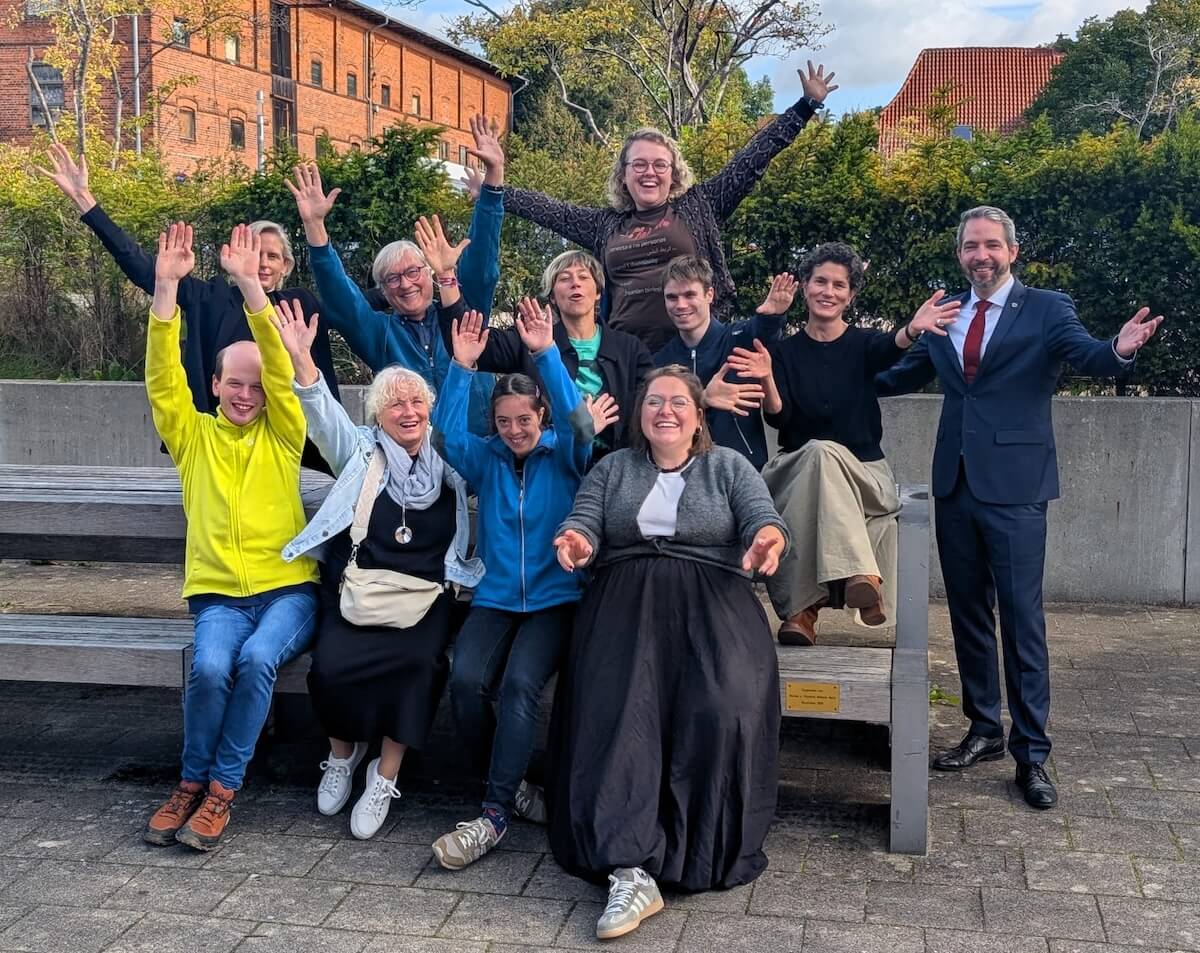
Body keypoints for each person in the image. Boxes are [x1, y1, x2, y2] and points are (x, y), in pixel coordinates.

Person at [876, 206, 1163, 810]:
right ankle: (983, 729)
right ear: (960, 255)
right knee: (968, 618)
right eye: (970, 247)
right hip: (954, 485)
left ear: (1011, 251)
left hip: (1017, 489)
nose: (980, 255)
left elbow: (1088, 355)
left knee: (1022, 623)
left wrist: (1119, 348)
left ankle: (1031, 753)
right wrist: (818, 371)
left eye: (991, 245)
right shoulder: (945, 313)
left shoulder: (1046, 308)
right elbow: (892, 374)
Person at [550, 365, 789, 940]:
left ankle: (698, 842)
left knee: (726, 702)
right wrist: (577, 541)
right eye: (653, 401)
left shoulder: (728, 466)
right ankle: (629, 867)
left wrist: (767, 541)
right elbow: (583, 522)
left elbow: (764, 518)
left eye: (678, 402)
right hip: (624, 607)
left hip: (715, 605)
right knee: (624, 709)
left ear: (698, 415)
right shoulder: (613, 469)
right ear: (639, 414)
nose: (665, 411)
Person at [274, 301, 483, 840]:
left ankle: (384, 775)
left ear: (429, 407)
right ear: (377, 415)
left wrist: (461, 366)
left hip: (428, 596)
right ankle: (342, 755)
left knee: (419, 666)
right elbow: (322, 416)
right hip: (360, 588)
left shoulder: (453, 459)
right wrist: (302, 359)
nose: (407, 411)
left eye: (416, 401)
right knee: (330, 667)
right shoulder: (361, 455)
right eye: (394, 405)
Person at [142, 223, 319, 851]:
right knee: (212, 665)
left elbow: (277, 362)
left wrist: (250, 285)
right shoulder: (193, 438)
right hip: (218, 596)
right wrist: (166, 290)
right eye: (233, 384)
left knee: (255, 659)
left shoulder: (283, 433)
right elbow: (164, 381)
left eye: (255, 386)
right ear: (214, 386)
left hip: (287, 594)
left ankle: (221, 791)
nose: (246, 394)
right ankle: (188, 784)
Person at [39, 144, 341, 474]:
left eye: (273, 257)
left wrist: (403, 287)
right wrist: (87, 203)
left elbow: (355, 306)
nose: (264, 264)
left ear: (286, 265)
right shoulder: (209, 297)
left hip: (288, 449)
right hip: (216, 446)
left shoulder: (299, 305)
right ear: (239, 255)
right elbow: (141, 266)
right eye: (257, 254)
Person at [494, 63, 838, 350]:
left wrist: (805, 107)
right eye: (639, 165)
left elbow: (751, 160)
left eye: (660, 165)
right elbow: (551, 210)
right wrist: (494, 190)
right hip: (626, 354)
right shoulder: (605, 224)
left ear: (673, 174)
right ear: (623, 174)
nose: (649, 172)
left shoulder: (699, 205)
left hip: (695, 349)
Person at [428, 302, 594, 869]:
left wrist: (546, 353)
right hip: (496, 597)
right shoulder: (487, 458)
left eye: (524, 419)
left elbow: (581, 423)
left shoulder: (567, 454)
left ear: (540, 416)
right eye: (504, 421)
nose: (515, 430)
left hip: (555, 600)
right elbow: (446, 433)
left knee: (521, 685)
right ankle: (516, 784)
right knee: (466, 681)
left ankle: (494, 812)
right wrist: (461, 367)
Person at [763, 242, 960, 644]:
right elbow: (778, 417)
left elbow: (891, 349)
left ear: (851, 296)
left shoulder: (864, 344)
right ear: (804, 286)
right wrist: (767, 377)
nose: (828, 291)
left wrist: (912, 329)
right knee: (817, 455)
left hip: (865, 477)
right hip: (796, 470)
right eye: (820, 281)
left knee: (823, 456)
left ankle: (803, 612)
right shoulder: (783, 352)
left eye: (839, 285)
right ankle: (861, 574)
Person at [286, 115, 502, 433]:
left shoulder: (463, 313)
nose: (405, 284)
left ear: (429, 274)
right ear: (385, 293)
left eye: (413, 271)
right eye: (393, 279)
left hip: (477, 453)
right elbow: (342, 297)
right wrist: (315, 226)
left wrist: (493, 182)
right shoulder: (381, 335)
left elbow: (482, 259)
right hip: (413, 460)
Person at [415, 214, 651, 458]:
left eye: (583, 277)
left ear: (598, 292)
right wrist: (446, 276)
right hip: (549, 467)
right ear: (552, 296)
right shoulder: (530, 341)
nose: (575, 284)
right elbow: (468, 338)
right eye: (564, 279)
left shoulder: (629, 349)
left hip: (615, 469)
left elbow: (648, 409)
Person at [653, 255, 797, 469]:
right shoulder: (660, 361)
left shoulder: (738, 338)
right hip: (682, 471)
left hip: (742, 468)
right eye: (672, 297)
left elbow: (762, 332)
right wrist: (702, 398)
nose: (681, 305)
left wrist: (772, 316)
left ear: (709, 294)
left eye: (690, 294)